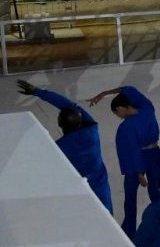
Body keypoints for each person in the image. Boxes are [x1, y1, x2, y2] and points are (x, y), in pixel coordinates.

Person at [17, 81, 112, 211]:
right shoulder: (92, 129)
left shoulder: (59, 149)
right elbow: (69, 105)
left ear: (60, 125)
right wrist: (38, 91)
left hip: (78, 194)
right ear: (79, 121)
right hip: (100, 188)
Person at [87, 84, 160, 238]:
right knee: (156, 191)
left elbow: (130, 152)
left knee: (130, 197)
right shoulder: (148, 108)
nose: (118, 116)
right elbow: (128, 88)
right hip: (155, 154)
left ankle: (129, 230)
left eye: (117, 112)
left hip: (136, 164)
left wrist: (139, 173)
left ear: (123, 107)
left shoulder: (126, 127)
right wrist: (104, 92)